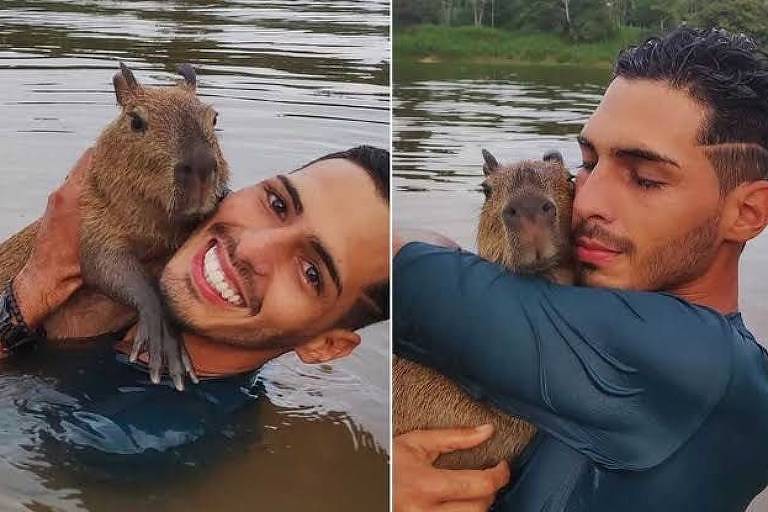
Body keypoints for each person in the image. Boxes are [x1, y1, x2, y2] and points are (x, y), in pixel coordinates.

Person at [393, 27, 768, 511]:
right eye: (586, 166)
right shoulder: (586, 340)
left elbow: (400, 266)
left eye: (646, 179)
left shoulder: (696, 362)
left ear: (749, 213)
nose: (588, 202)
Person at [0, 145, 389, 463]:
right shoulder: (132, 284)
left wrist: (39, 285)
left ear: (325, 345)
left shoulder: (136, 434)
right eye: (277, 204)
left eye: (311, 273)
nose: (252, 248)